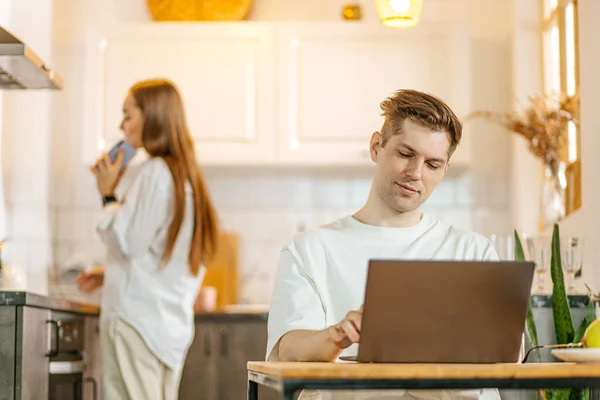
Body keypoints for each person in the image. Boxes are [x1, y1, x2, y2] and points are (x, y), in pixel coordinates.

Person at [266, 89, 501, 400]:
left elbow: (502, 353)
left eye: (432, 164)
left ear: (445, 169)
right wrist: (336, 335)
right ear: (376, 146)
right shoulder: (309, 250)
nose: (415, 174)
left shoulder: (474, 252)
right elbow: (289, 348)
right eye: (405, 154)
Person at [78, 78, 218, 400]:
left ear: (152, 116)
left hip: (135, 324)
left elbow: (127, 240)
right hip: (165, 328)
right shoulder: (186, 175)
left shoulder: (155, 172)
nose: (122, 124)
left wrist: (108, 195)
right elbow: (156, 251)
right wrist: (109, 273)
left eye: (128, 114)